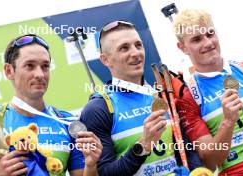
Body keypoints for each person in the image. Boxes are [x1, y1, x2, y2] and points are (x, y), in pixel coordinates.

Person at [80, 20, 203, 176]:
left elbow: (186, 149)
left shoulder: (161, 95)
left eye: (138, 45)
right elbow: (104, 173)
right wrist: (143, 145)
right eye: (124, 48)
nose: (135, 53)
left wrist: (198, 171)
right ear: (106, 60)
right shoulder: (98, 109)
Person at [0, 34, 102, 176]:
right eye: (29, 66)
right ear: (9, 71)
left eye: (45, 66)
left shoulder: (68, 122)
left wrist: (91, 165)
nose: (40, 74)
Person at [173, 9, 243, 175]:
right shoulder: (188, 99)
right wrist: (228, 122)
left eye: (210, 34)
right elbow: (211, 161)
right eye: (197, 39)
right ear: (183, 48)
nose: (208, 43)